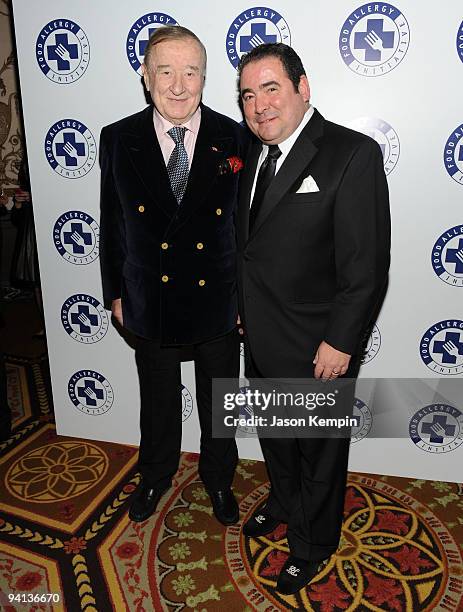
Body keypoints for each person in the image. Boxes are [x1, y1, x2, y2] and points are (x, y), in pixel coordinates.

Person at [236, 43, 390, 594]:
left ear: (304, 88)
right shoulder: (249, 154)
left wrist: (341, 342)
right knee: (276, 439)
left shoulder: (352, 154)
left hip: (317, 349)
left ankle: (313, 542)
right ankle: (282, 502)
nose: (259, 105)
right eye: (248, 94)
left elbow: (366, 266)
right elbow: (249, 247)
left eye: (271, 88)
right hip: (259, 337)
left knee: (319, 455)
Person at [99, 26, 247, 525]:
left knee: (219, 400)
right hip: (149, 297)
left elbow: (247, 229)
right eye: (166, 71)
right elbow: (112, 221)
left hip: (219, 298)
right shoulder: (119, 138)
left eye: (190, 72)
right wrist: (115, 293)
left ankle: (219, 479)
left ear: (206, 77)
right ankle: (155, 476)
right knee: (158, 401)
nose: (178, 85)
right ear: (146, 76)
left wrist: (247, 300)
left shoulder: (235, 135)